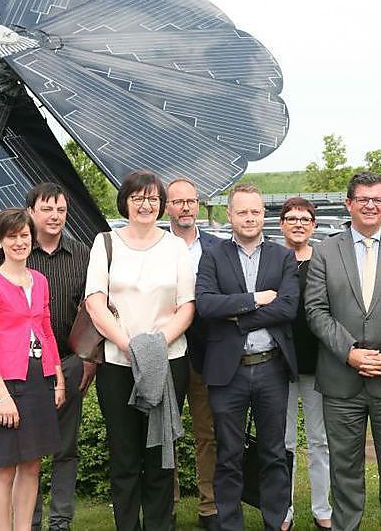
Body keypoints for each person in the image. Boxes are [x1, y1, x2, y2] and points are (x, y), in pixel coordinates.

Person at [305, 171, 381, 531]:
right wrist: (350, 353)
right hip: (341, 381)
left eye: (377, 199)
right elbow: (315, 310)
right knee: (345, 473)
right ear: (349, 203)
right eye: (363, 199)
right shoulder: (325, 251)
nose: (370, 205)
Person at [84, 170, 196, 531]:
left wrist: (155, 346)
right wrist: (127, 344)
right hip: (118, 365)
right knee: (125, 454)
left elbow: (187, 306)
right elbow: (95, 302)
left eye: (152, 199)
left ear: (161, 205)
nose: (145, 205)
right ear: (126, 202)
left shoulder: (175, 247)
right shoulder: (106, 243)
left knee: (160, 454)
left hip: (167, 363)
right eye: (138, 198)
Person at [194, 183, 299, 531]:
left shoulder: (282, 256)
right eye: (242, 211)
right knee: (228, 455)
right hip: (228, 373)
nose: (250, 217)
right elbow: (206, 304)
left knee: (273, 453)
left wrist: (237, 318)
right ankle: (229, 525)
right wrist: (255, 298)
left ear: (263, 214)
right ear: (230, 215)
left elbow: (288, 307)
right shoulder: (213, 255)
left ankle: (274, 522)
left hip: (271, 368)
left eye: (255, 211)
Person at [0, 208, 66, 531]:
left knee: (31, 464)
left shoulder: (39, 281)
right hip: (8, 385)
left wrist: (57, 377)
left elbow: (46, 329)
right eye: (12, 236)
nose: (19, 241)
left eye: (24, 235)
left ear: (32, 237)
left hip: (40, 380)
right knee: (4, 468)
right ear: (0, 241)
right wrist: (2, 396)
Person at [23, 183, 91, 531]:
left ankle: (60, 521)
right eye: (47, 209)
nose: (55, 216)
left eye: (61, 210)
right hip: (26, 366)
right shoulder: (18, 251)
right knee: (29, 450)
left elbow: (95, 309)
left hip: (69, 360)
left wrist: (90, 360)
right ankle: (29, 520)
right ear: (32, 212)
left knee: (66, 448)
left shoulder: (82, 254)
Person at [164, 177, 223, 531]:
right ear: (167, 207)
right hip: (166, 349)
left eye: (191, 201)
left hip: (205, 350)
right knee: (165, 430)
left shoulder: (218, 247)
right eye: (178, 201)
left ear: (198, 204)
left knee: (208, 432)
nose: (186, 207)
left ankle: (210, 507)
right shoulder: (153, 246)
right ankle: (165, 505)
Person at [279, 197, 332, 531]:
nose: (298, 223)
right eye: (291, 218)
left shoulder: (326, 262)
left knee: (320, 440)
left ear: (313, 225)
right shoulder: (272, 261)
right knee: (281, 441)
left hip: (318, 363)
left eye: (305, 218)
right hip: (279, 363)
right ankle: (283, 509)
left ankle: (322, 508)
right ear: (282, 223)